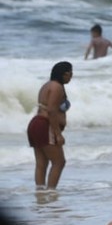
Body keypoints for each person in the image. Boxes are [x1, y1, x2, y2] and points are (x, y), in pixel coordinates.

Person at [27, 62, 73, 190]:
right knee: (59, 162)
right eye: (70, 73)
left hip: (35, 123)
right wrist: (58, 134)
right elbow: (52, 111)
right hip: (44, 125)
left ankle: (40, 193)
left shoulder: (47, 85)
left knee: (42, 163)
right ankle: (51, 193)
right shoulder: (57, 87)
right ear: (63, 74)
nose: (71, 76)